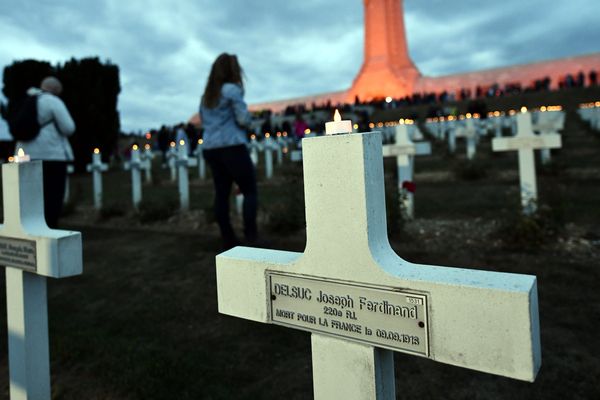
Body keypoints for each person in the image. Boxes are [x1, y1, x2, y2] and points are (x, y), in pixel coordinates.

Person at [199, 53, 260, 250]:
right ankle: (251, 235)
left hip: (211, 147)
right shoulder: (231, 90)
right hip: (231, 145)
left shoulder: (207, 96)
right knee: (249, 190)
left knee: (222, 193)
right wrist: (251, 124)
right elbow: (242, 119)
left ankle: (228, 238)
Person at [14, 76, 75, 228]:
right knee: (51, 199)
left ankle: (29, 230)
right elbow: (69, 128)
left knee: (30, 198)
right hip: (51, 156)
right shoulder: (53, 101)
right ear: (55, 90)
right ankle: (49, 231)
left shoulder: (26, 100)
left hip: (24, 156)